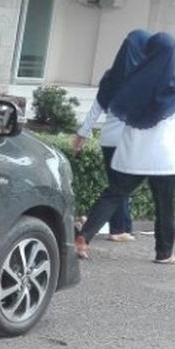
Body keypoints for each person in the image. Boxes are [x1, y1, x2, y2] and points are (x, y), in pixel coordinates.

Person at [74, 32, 175, 265]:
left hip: (133, 151)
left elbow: (117, 109)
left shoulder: (130, 80)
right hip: (164, 155)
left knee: (114, 194)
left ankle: (84, 237)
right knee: (165, 206)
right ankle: (164, 252)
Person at [71, 30, 150, 243]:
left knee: (117, 185)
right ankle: (103, 228)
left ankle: (119, 228)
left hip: (108, 140)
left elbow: (96, 109)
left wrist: (82, 135)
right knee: (119, 188)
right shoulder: (143, 78)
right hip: (128, 141)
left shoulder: (110, 76)